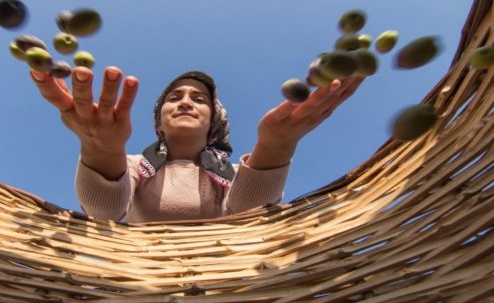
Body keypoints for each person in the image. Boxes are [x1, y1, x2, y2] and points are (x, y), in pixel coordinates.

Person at [29, 66, 362, 223]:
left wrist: (277, 144)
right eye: (174, 98)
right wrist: (99, 148)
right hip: (137, 302)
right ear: (159, 122)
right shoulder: (130, 166)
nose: (185, 102)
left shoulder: (234, 173)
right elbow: (105, 213)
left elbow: (246, 216)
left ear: (214, 120)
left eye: (199, 99)